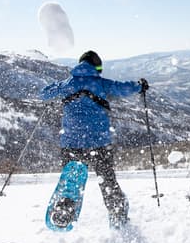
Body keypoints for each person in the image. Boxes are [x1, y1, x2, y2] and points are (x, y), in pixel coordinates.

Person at [41, 50, 148, 228]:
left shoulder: (67, 83)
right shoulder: (101, 83)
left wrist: (58, 90)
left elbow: (44, 93)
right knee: (107, 181)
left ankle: (64, 210)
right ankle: (118, 213)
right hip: (99, 143)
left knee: (72, 181)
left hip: (71, 144)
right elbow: (123, 88)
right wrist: (139, 85)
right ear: (96, 66)